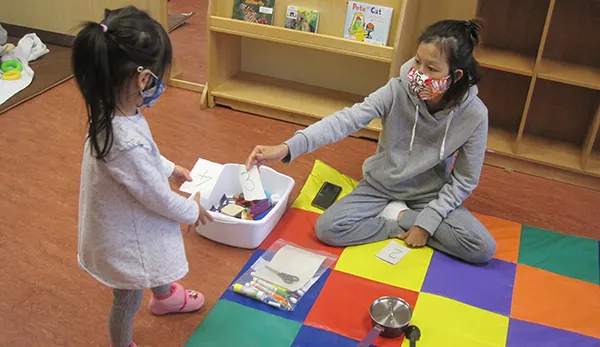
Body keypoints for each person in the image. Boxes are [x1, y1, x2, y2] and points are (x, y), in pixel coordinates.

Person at [246, 19, 496, 264]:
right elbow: (346, 120)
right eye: (417, 61)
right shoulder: (397, 89)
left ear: (456, 75)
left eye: (431, 69)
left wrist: (426, 222)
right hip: (381, 185)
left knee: (481, 248)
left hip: (430, 193)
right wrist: (288, 147)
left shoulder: (475, 115)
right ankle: (395, 217)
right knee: (328, 229)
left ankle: (403, 215)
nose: (419, 74)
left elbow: (464, 180)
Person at [73, 7, 213, 347]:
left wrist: (168, 168)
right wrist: (192, 211)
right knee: (127, 297)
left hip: (126, 219)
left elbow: (144, 157)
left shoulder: (111, 107)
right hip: (122, 235)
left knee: (155, 252)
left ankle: (164, 297)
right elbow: (157, 197)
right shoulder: (125, 139)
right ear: (144, 79)